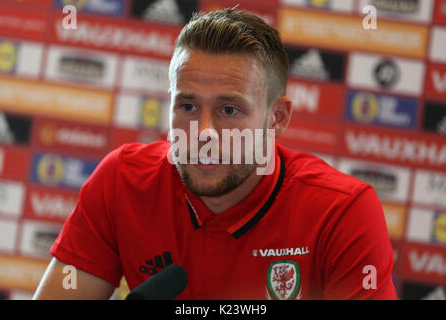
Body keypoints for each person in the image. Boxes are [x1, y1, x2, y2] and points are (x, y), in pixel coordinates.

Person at [33, 8, 397, 300]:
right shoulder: (122, 181)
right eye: (188, 106)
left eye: (229, 111)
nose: (203, 133)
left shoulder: (342, 211)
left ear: (277, 118)